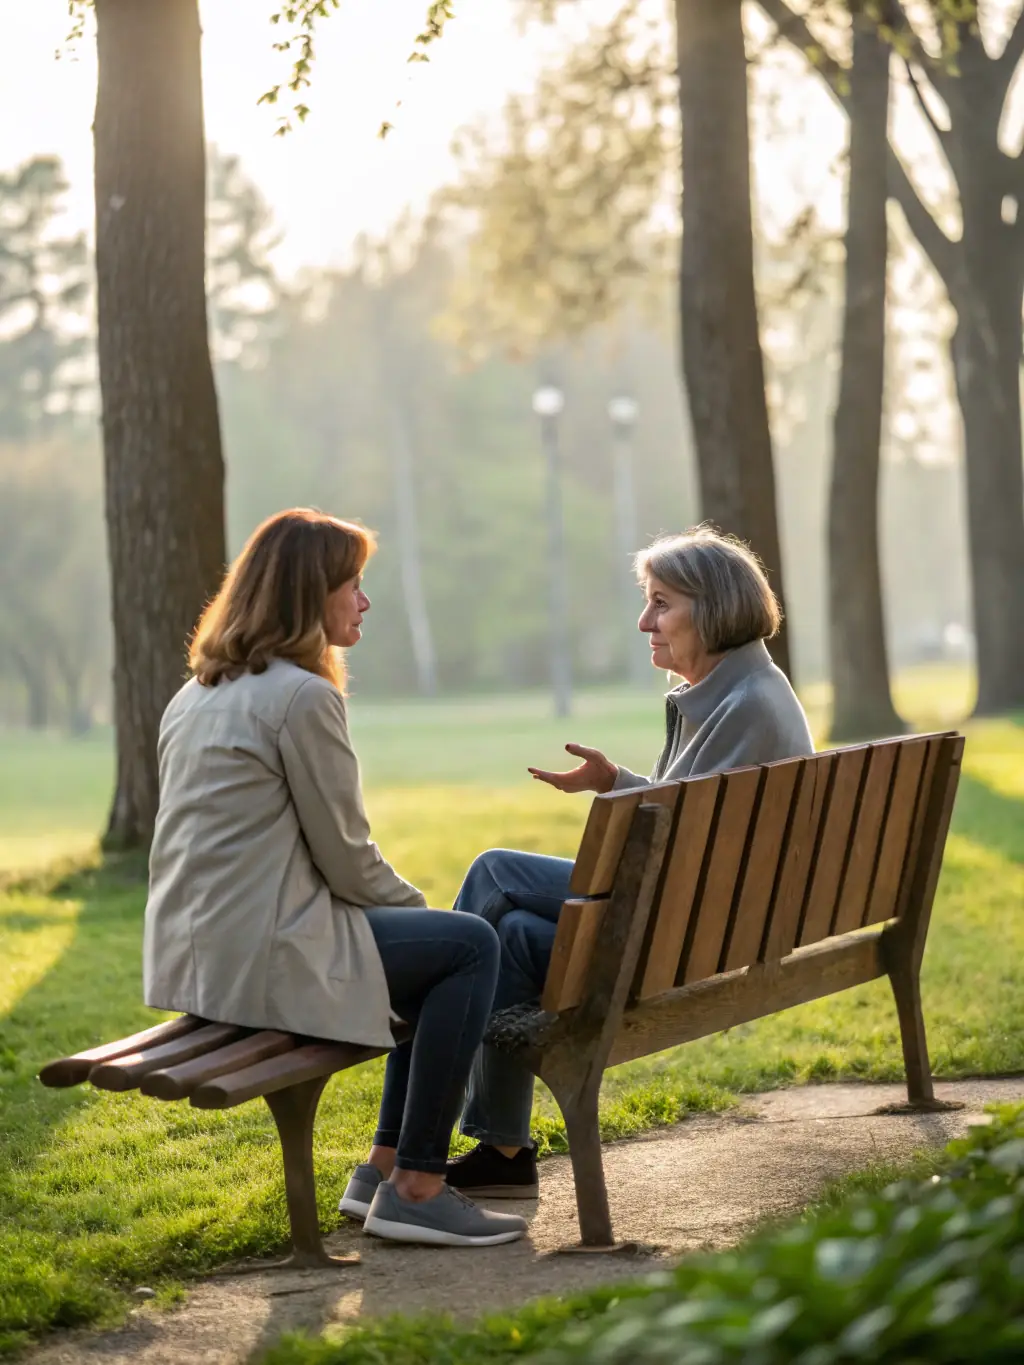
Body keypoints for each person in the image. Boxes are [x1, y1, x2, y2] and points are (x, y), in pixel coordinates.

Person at [143, 508, 526, 1248]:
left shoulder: (196, 693)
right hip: (262, 959)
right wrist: (426, 914)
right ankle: (417, 1187)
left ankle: (382, 1169)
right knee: (468, 946)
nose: (364, 601)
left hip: (195, 963)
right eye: (353, 585)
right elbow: (348, 859)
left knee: (439, 948)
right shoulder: (300, 696)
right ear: (307, 594)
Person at [446, 526, 815, 1200]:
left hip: (683, 932)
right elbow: (694, 814)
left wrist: (624, 802)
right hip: (707, 923)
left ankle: (417, 1116)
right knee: (512, 937)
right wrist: (617, 781)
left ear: (714, 608)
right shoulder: (746, 690)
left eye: (661, 603)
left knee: (495, 874)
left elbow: (673, 854)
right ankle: (501, 1152)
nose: (645, 621)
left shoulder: (745, 705)